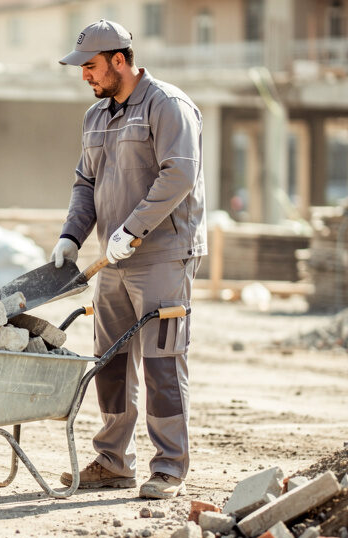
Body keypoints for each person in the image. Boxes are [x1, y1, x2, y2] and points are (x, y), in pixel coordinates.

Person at [53, 19, 206, 499]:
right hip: (112, 261)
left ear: (120, 60)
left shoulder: (167, 106)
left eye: (92, 67)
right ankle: (114, 461)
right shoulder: (95, 118)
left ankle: (169, 467)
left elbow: (179, 175)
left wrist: (132, 229)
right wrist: (72, 236)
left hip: (162, 255)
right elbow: (85, 184)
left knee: (163, 360)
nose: (85, 76)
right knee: (110, 360)